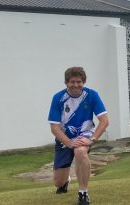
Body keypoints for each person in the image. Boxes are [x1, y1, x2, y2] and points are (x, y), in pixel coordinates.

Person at [48, 67, 109, 205]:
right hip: (65, 138)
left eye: (79, 82)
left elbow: (104, 121)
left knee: (80, 151)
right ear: (66, 82)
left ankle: (83, 193)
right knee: (58, 182)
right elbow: (54, 128)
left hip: (84, 134)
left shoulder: (92, 95)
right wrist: (69, 142)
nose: (76, 85)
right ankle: (66, 181)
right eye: (72, 82)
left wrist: (91, 139)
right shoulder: (58, 98)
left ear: (84, 82)